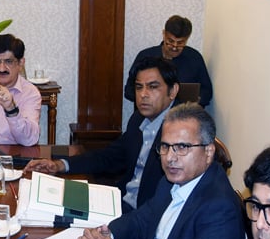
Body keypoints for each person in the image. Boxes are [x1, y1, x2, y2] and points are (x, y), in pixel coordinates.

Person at [77, 102, 244, 239]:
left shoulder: (219, 207)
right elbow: (141, 220)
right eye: (165, 147)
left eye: (182, 147)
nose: (170, 158)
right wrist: (105, 235)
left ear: (208, 151)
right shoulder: (172, 181)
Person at [25, 56, 179, 212]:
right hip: (120, 203)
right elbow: (109, 157)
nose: (143, 94)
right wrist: (60, 164)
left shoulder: (182, 133)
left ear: (172, 91)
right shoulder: (138, 119)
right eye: (139, 87)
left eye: (153, 87)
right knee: (49, 204)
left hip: (145, 218)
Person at [124, 15, 213, 107]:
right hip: (149, 115)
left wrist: (196, 102)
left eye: (180, 43)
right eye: (170, 41)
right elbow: (129, 91)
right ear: (164, 34)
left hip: (182, 116)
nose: (174, 47)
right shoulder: (145, 56)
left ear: (187, 39)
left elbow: (207, 92)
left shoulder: (195, 58)